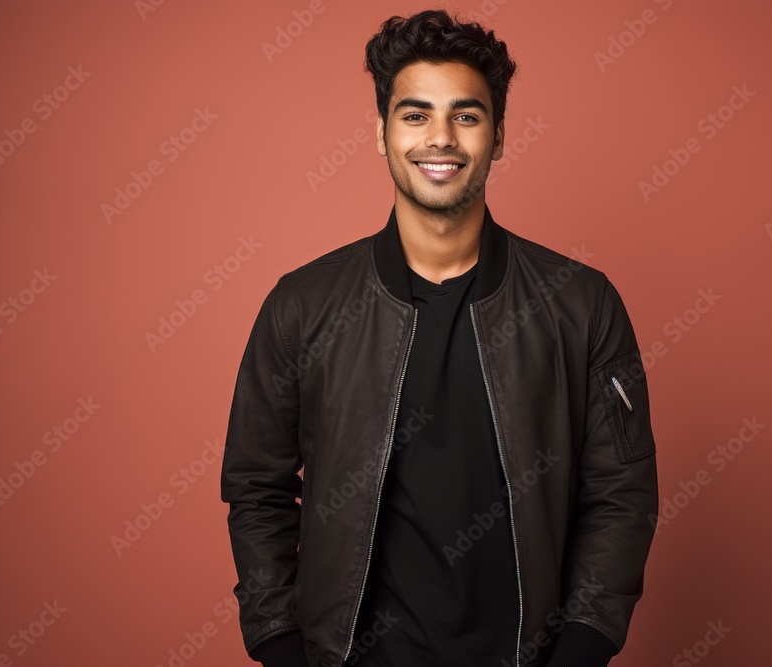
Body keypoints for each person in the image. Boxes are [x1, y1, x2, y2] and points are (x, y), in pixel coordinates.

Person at [220, 9, 659, 667]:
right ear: (381, 132)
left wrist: (579, 649)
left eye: (467, 115)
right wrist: (283, 648)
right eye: (416, 114)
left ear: (500, 135)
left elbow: (622, 493)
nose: (441, 138)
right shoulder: (303, 306)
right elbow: (256, 486)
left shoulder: (581, 303)